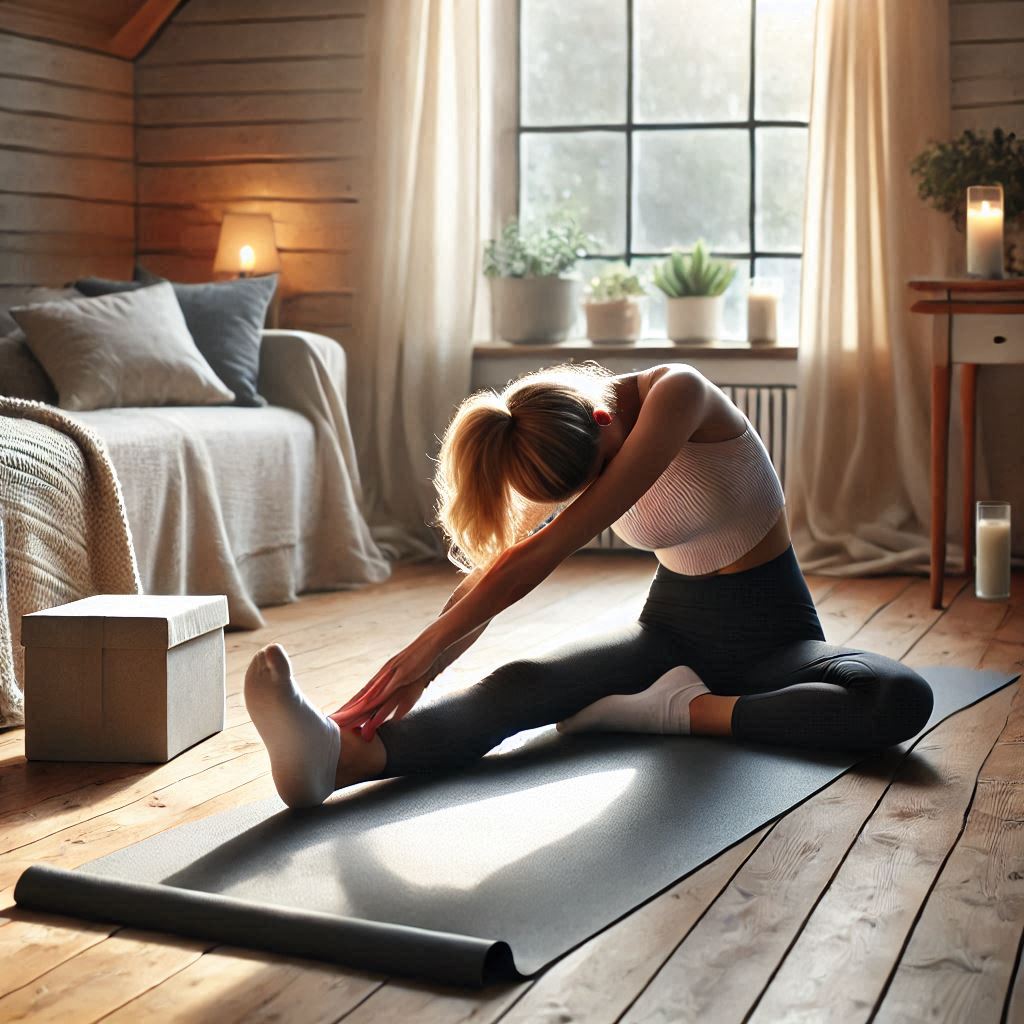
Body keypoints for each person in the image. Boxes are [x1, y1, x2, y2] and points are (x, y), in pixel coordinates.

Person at [244, 361, 933, 809]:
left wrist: (420, 653)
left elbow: (548, 549)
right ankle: (337, 758)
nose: (595, 492)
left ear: (604, 419)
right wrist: (428, 666)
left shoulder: (680, 396)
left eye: (598, 474)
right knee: (519, 683)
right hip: (669, 632)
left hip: (773, 638)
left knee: (896, 699)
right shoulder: (562, 435)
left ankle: (671, 712)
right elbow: (500, 567)